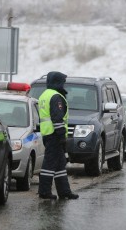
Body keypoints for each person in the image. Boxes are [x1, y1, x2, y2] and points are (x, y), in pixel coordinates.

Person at [38, 71, 79, 200]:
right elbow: (57, 118)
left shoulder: (45, 94)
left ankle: (64, 191)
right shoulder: (56, 97)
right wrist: (62, 137)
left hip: (48, 134)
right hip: (54, 135)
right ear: (57, 82)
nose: (64, 85)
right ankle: (44, 192)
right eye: (63, 82)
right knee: (49, 164)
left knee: (60, 164)